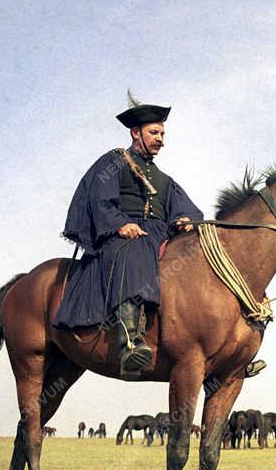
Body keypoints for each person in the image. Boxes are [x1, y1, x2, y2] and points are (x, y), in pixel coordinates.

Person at [53, 95, 203, 378]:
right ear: (136, 133)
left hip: (157, 233)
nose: (160, 140)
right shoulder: (115, 161)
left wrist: (186, 220)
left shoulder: (163, 179)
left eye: (162, 134)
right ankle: (130, 341)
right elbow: (99, 199)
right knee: (134, 252)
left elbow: (184, 208)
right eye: (154, 133)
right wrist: (119, 224)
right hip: (124, 235)